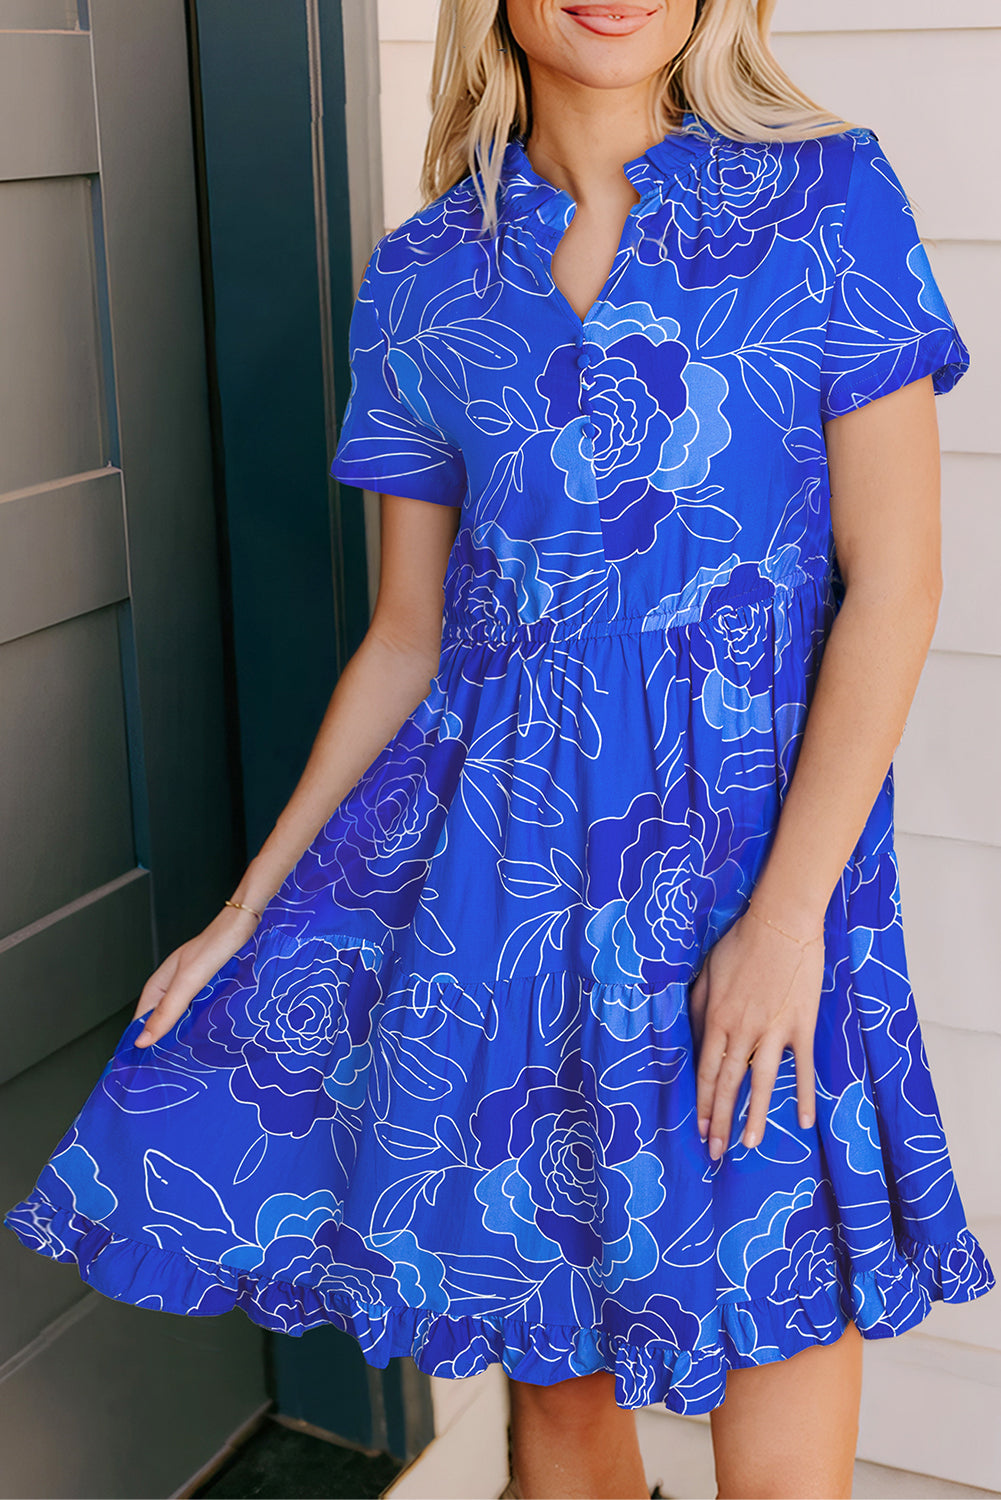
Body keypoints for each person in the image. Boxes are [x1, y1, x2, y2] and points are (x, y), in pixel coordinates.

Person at [5, 0, 997, 1496]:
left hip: (753, 864)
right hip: (502, 885)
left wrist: (788, 917)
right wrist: (250, 905)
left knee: (779, 1333)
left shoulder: (824, 195)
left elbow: (897, 585)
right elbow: (409, 635)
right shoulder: (421, 278)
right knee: (559, 1393)